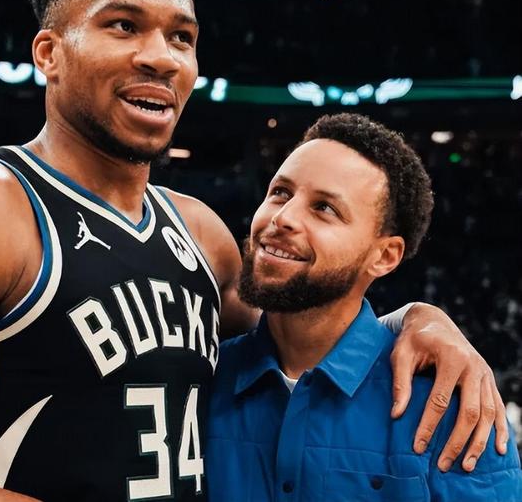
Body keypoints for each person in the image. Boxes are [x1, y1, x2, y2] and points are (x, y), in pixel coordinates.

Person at [0, 0, 509, 501]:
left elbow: (310, 327)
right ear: (49, 53)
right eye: (123, 25)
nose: (162, 57)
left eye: (182, 37)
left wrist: (416, 318)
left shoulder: (201, 234)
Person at [206, 113, 522, 501]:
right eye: (281, 193)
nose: (283, 218)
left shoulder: (453, 407)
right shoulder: (202, 377)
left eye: (324, 208)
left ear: (384, 256)